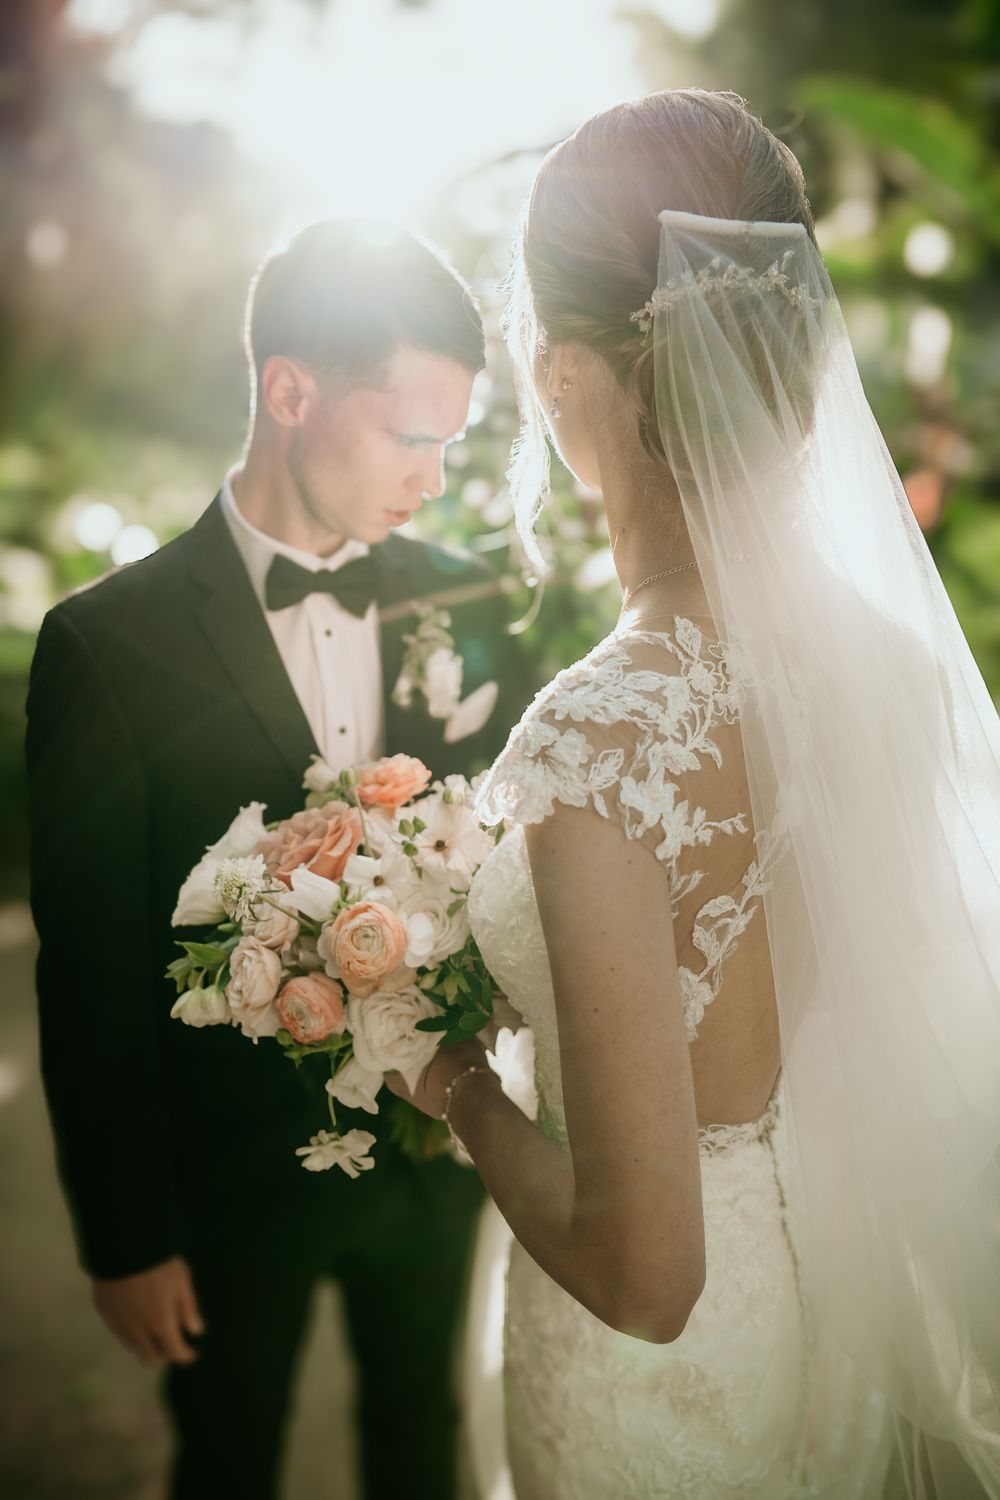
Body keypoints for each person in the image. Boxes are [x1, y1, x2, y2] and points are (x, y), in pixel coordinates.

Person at [388, 90, 1000, 1498]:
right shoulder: (890, 665)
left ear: (558, 369)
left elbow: (643, 1274)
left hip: (654, 1391)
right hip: (823, 1313)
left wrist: (457, 1085)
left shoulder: (595, 743)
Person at [26, 219, 530, 1500]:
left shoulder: (465, 606)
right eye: (408, 437)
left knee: (425, 1449)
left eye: (450, 446)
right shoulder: (107, 645)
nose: (431, 478)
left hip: (433, 1161)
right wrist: (126, 1234)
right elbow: (88, 973)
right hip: (225, 1184)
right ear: (289, 392)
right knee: (227, 1460)